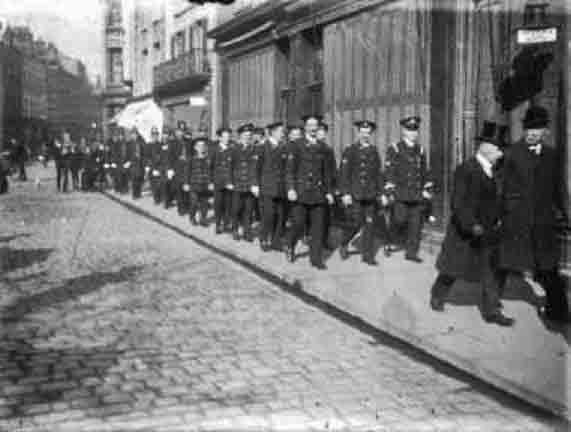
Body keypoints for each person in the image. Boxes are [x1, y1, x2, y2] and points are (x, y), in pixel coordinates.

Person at [430, 121, 513, 326]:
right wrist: (471, 225)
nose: (501, 154)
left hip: (488, 231)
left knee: (490, 271)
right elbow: (457, 203)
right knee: (452, 269)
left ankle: (492, 311)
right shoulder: (466, 169)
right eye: (498, 149)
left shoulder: (495, 171)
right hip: (465, 231)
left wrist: (500, 219)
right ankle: (438, 294)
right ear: (486, 148)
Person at [498, 106, 569, 324]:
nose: (532, 133)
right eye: (528, 128)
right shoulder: (512, 153)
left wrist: (567, 213)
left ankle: (558, 313)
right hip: (516, 221)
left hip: (543, 223)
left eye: (537, 129)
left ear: (545, 131)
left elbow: (559, 187)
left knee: (548, 268)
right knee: (502, 263)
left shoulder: (552, 155)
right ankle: (490, 305)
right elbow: (501, 187)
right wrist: (502, 214)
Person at [285, 115, 334, 269]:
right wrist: (291, 189)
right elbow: (290, 170)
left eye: (315, 125)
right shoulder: (296, 145)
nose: (313, 128)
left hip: (318, 193)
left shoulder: (323, 147)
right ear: (305, 127)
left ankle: (316, 259)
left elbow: (326, 172)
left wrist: (329, 192)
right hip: (301, 192)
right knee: (298, 224)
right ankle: (290, 244)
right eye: (310, 125)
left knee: (318, 228)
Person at [383, 116, 433, 262]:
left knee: (416, 225)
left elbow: (424, 171)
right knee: (399, 220)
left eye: (415, 130)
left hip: (416, 194)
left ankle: (411, 253)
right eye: (410, 130)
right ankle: (389, 240)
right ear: (404, 131)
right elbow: (390, 171)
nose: (413, 133)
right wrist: (390, 191)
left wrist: (427, 189)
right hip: (401, 193)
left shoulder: (421, 150)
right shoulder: (395, 148)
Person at [338, 120, 383, 265]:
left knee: (369, 224)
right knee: (356, 223)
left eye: (368, 133)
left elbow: (378, 174)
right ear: (358, 133)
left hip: (370, 194)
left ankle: (368, 256)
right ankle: (344, 242)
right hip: (355, 194)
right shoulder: (350, 150)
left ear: (371, 134)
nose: (365, 135)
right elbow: (344, 173)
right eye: (362, 132)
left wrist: (381, 193)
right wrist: (345, 193)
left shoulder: (374, 151)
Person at [258, 122, 288, 252]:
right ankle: (264, 238)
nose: (283, 134)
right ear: (274, 132)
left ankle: (276, 241)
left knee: (280, 216)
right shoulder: (262, 147)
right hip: (267, 187)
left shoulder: (284, 147)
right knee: (268, 215)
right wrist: (255, 185)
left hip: (281, 187)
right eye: (281, 131)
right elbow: (257, 167)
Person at [230, 123, 259, 241]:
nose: (247, 137)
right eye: (245, 135)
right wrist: (229, 182)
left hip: (249, 184)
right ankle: (235, 230)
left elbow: (255, 167)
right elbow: (229, 167)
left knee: (249, 210)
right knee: (236, 209)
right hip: (237, 184)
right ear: (240, 136)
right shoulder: (234, 148)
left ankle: (247, 231)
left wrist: (255, 184)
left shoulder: (254, 149)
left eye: (249, 135)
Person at [211, 127, 235, 234]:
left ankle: (226, 224)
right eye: (224, 137)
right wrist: (210, 182)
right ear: (219, 138)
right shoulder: (214, 149)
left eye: (228, 137)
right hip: (218, 182)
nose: (227, 139)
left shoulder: (232, 149)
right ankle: (217, 224)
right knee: (218, 204)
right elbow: (210, 167)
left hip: (229, 182)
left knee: (228, 204)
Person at [185, 137, 213, 226]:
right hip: (194, 184)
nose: (201, 148)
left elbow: (211, 172)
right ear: (195, 148)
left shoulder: (208, 159)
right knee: (194, 202)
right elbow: (187, 172)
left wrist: (211, 182)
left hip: (205, 184)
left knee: (204, 203)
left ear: (205, 147)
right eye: (199, 146)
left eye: (203, 146)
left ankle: (203, 219)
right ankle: (192, 217)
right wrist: (186, 183)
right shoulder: (191, 159)